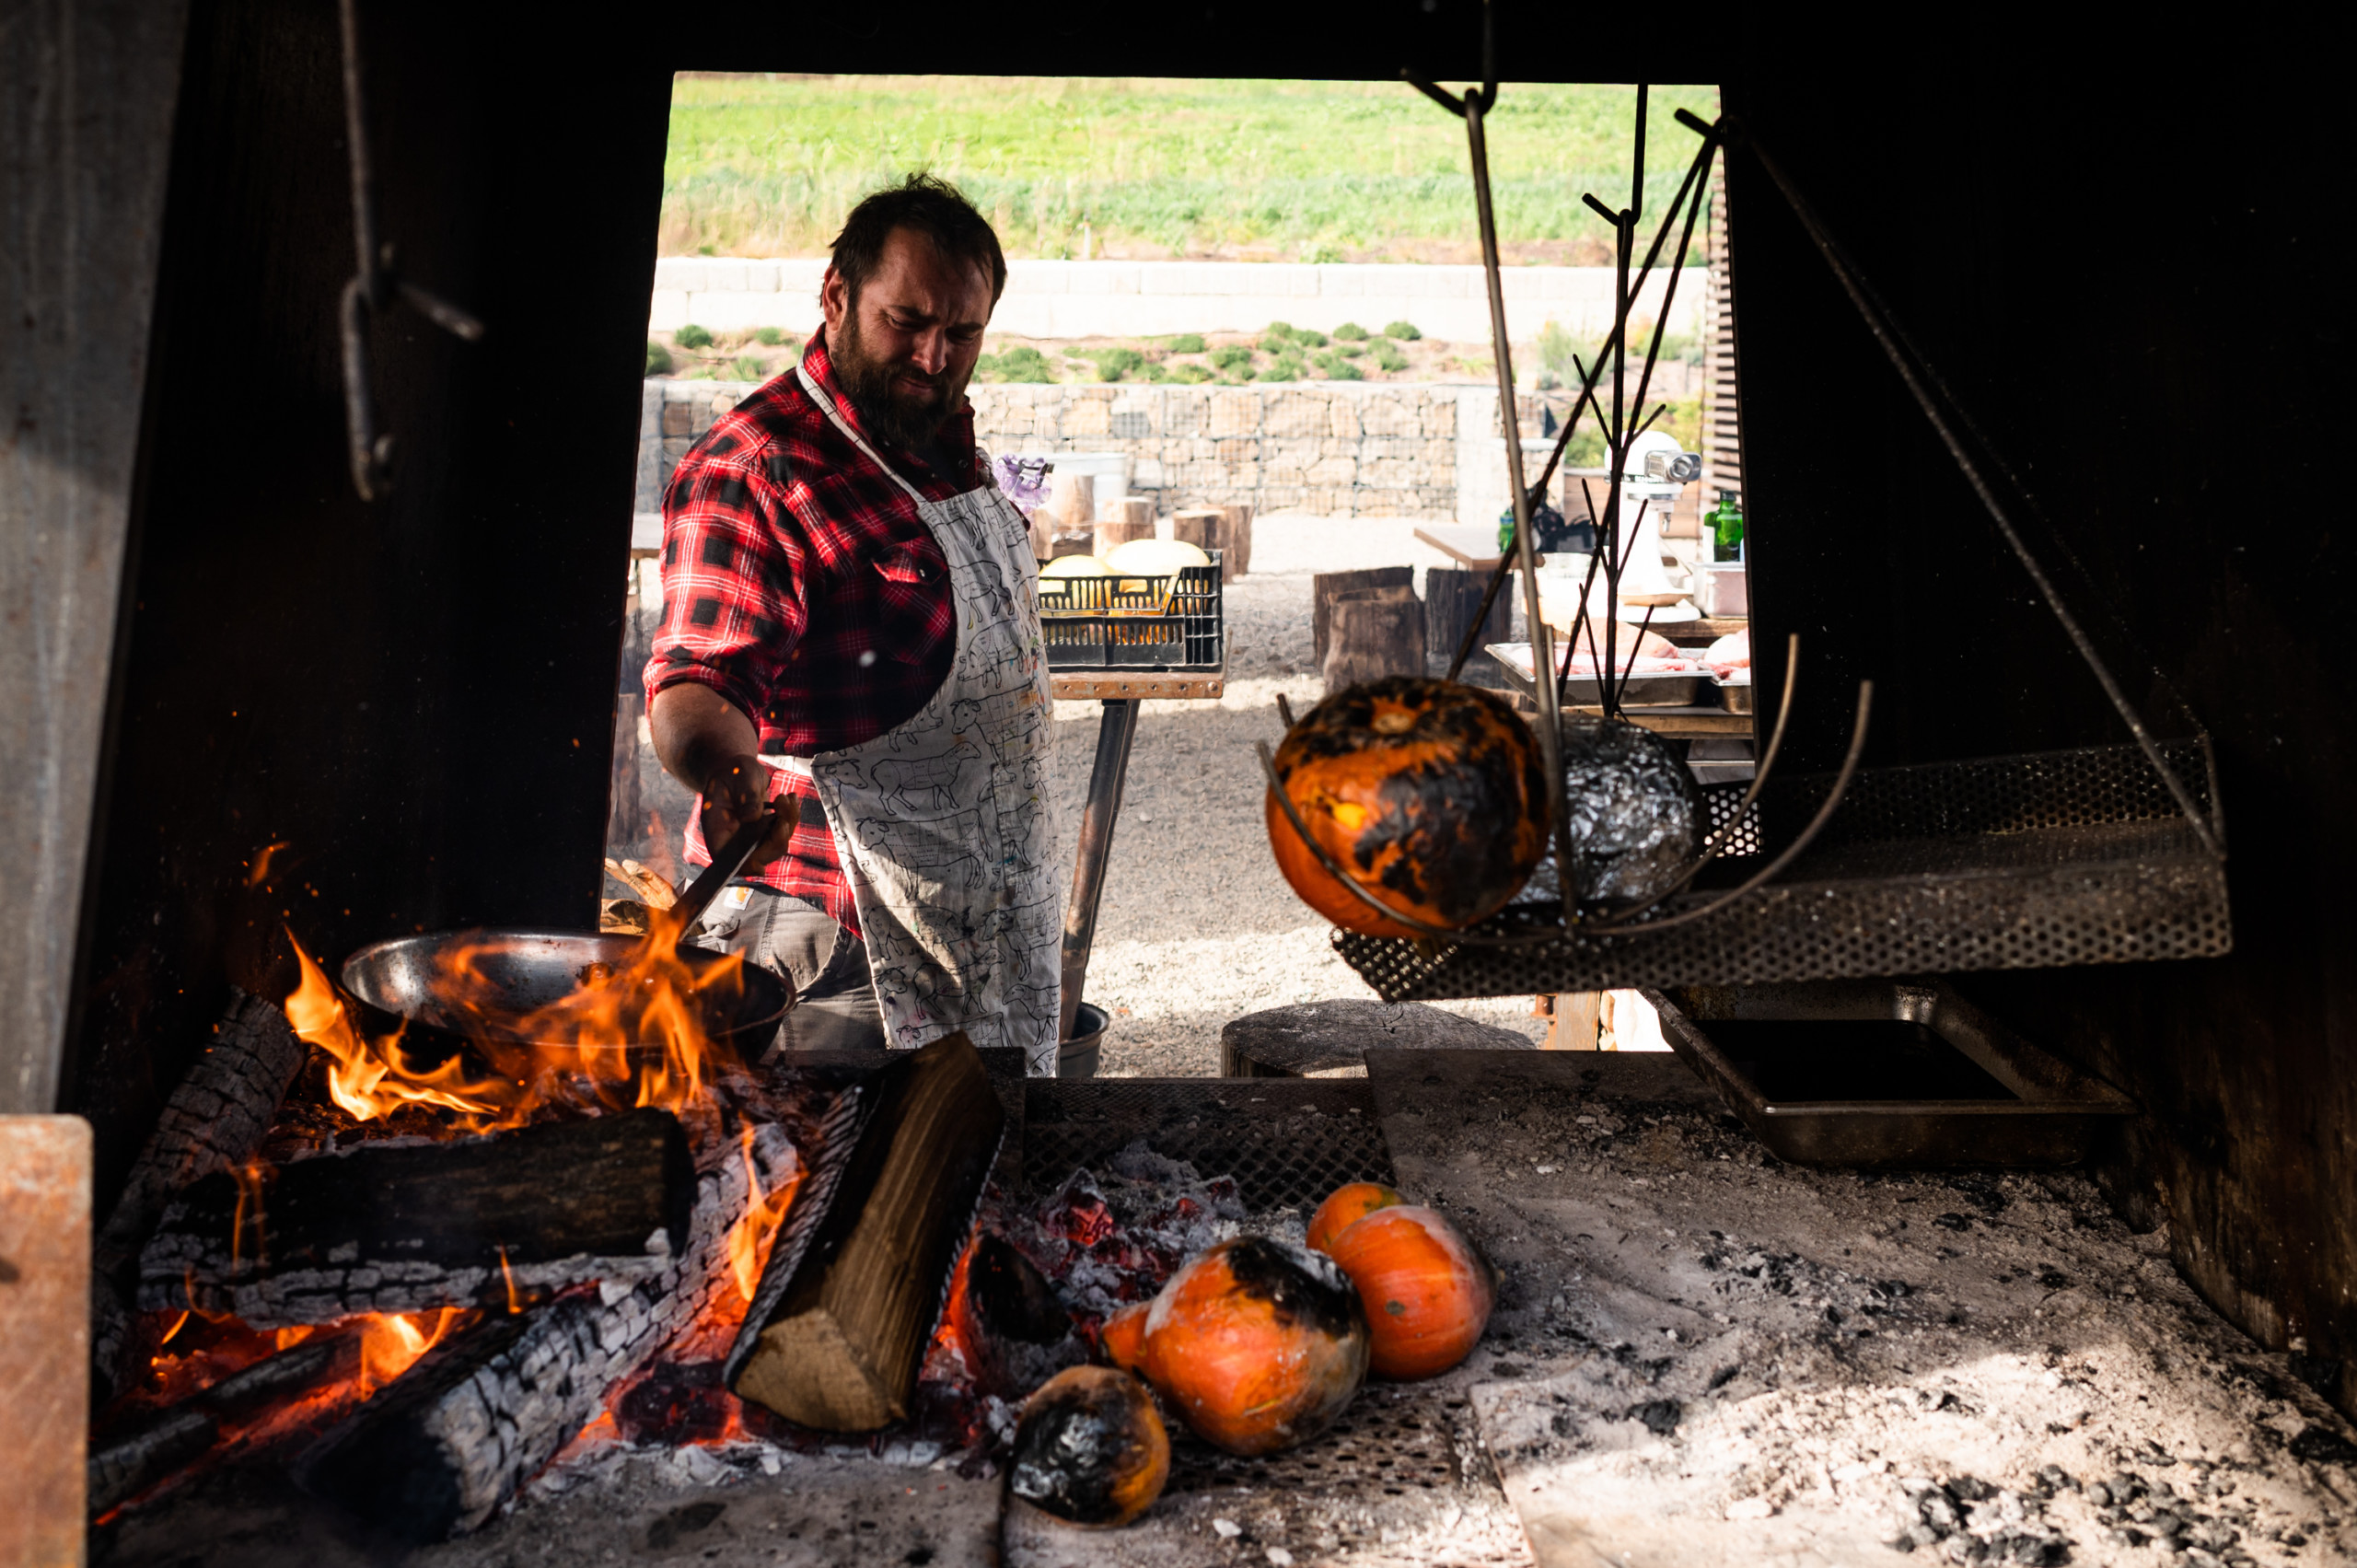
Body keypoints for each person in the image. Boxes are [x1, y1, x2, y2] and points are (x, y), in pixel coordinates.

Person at [644, 175, 1061, 1074]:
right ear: (836, 294)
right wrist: (725, 769)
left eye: (962, 333)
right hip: (823, 938)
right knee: (827, 1194)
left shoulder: (946, 451)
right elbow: (697, 679)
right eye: (904, 321)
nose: (931, 356)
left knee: (974, 1192)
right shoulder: (759, 469)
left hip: (969, 921)